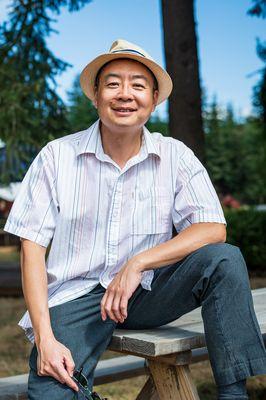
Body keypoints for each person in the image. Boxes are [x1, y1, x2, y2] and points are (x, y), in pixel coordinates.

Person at [4, 39, 266, 400]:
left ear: (154, 99)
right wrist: (46, 339)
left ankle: (234, 394)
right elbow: (31, 248)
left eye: (138, 85)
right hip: (74, 297)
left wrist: (138, 263)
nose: (125, 94)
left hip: (145, 293)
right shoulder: (56, 156)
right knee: (52, 390)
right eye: (112, 83)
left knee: (224, 258)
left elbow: (213, 228)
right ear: (95, 96)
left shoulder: (176, 156)